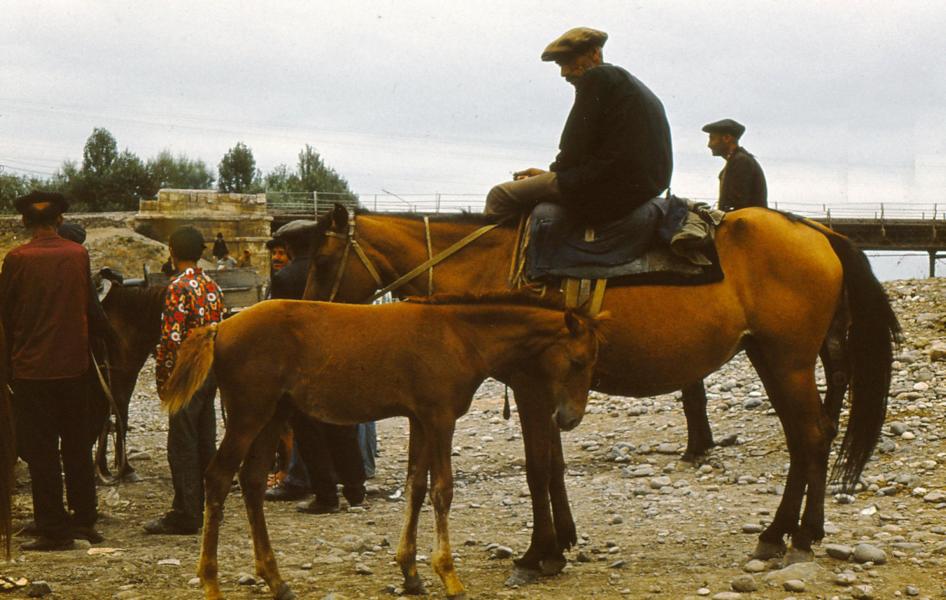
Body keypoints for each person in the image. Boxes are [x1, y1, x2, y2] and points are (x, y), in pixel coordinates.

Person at [485, 27, 673, 227]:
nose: (564, 72)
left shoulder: (597, 77)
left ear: (595, 53)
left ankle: (509, 256)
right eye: (560, 64)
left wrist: (555, 174)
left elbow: (574, 143)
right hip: (643, 187)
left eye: (569, 61)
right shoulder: (628, 84)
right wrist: (549, 176)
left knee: (500, 195)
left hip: (608, 188)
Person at [0, 191, 101, 551]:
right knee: (76, 446)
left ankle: (53, 529)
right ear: (59, 221)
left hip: (31, 373)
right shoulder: (78, 255)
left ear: (26, 223)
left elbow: (6, 316)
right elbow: (90, 307)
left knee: (41, 452)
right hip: (74, 368)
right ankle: (85, 520)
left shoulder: (16, 260)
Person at [265, 220, 367, 513]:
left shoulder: (286, 278)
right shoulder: (335, 272)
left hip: (304, 364)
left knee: (309, 431)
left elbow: (281, 324)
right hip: (336, 358)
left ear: (291, 246)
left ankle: (325, 495)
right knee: (341, 426)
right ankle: (355, 489)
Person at [144, 227, 224, 535]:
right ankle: (208, 506)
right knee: (206, 440)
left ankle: (185, 513)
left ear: (171, 250)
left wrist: (165, 379)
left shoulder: (177, 287)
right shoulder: (212, 286)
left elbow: (171, 338)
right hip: (210, 370)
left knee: (182, 444)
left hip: (186, 374)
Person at [702, 118, 767, 211]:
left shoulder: (741, 161)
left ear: (727, 138)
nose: (709, 145)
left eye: (712, 139)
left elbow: (736, 205)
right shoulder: (736, 161)